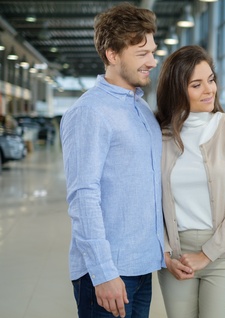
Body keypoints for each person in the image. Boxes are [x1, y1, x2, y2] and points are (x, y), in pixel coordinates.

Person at [60, 3, 164, 318]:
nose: (153, 61)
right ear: (112, 54)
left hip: (141, 266)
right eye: (142, 53)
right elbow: (83, 196)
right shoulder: (90, 112)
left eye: (153, 51)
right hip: (107, 273)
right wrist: (103, 272)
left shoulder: (142, 110)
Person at [155, 45, 225, 318]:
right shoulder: (160, 136)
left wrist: (207, 254)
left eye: (211, 80)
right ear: (177, 90)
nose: (209, 90)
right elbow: (151, 201)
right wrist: (166, 253)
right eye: (197, 84)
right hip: (177, 258)